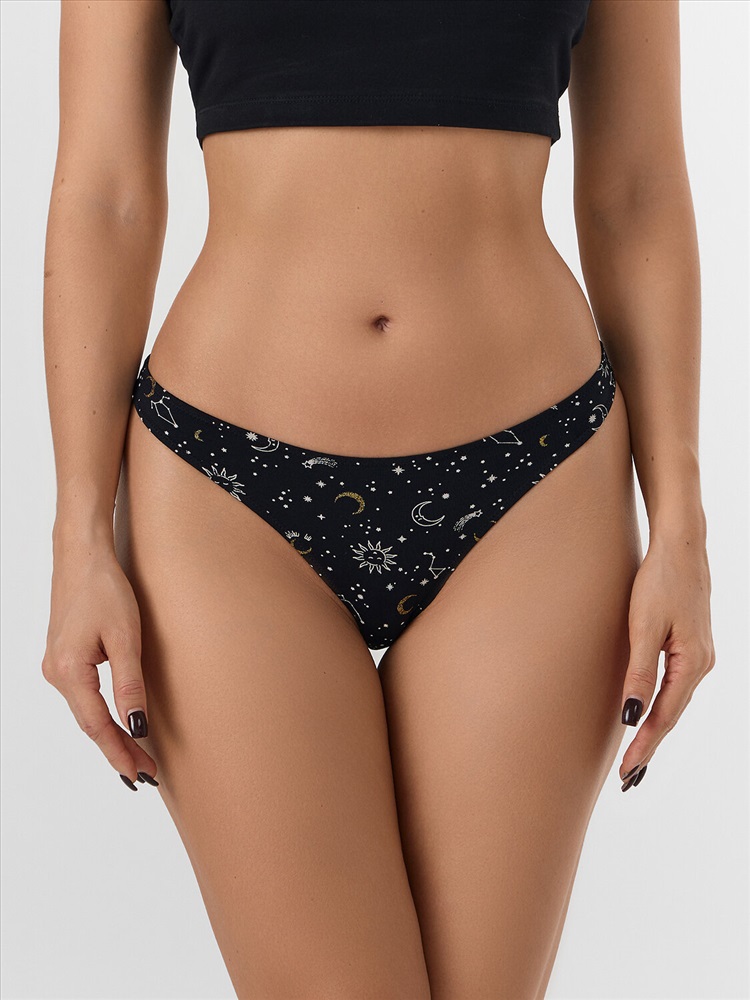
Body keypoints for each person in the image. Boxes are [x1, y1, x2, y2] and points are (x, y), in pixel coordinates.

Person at [41, 1, 716, 996]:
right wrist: (78, 535)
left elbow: (636, 192)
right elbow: (107, 196)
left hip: (533, 487)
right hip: (228, 495)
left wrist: (682, 525)